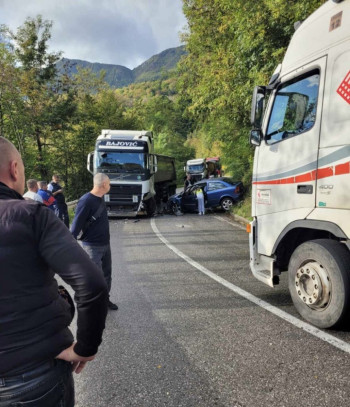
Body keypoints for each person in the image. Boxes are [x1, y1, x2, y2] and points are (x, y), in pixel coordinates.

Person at [0, 136, 108, 407]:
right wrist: (85, 347)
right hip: (32, 377)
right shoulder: (30, 215)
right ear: (15, 169)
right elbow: (92, 284)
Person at [71, 173, 118, 311]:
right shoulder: (86, 200)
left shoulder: (100, 198)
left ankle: (104, 300)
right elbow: (76, 225)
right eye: (109, 184)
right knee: (94, 278)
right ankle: (92, 304)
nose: (110, 186)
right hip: (92, 247)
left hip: (105, 244)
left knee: (106, 275)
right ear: (103, 185)